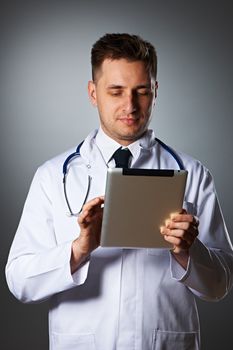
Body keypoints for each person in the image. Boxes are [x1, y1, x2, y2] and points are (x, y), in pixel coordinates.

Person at [5, 33, 233, 350]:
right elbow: (19, 281)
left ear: (155, 91)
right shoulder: (52, 176)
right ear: (93, 93)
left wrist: (187, 252)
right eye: (116, 92)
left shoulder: (193, 174)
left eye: (141, 91)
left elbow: (220, 285)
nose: (130, 105)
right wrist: (78, 250)